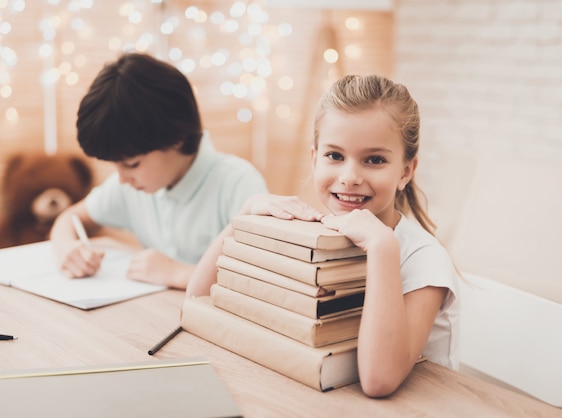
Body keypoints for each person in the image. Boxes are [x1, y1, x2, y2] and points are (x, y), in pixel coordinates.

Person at [186, 74, 459, 397]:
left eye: (374, 160)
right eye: (335, 156)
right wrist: (242, 216)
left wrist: (383, 247)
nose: (350, 177)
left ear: (405, 171)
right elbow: (198, 302)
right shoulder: (316, 233)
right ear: (315, 159)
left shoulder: (425, 260)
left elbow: (379, 381)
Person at [50, 52, 268, 289]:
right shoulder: (133, 185)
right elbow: (70, 218)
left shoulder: (237, 184)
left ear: (176, 138)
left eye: (132, 164)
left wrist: (179, 273)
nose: (122, 179)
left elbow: (262, 278)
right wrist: (66, 248)